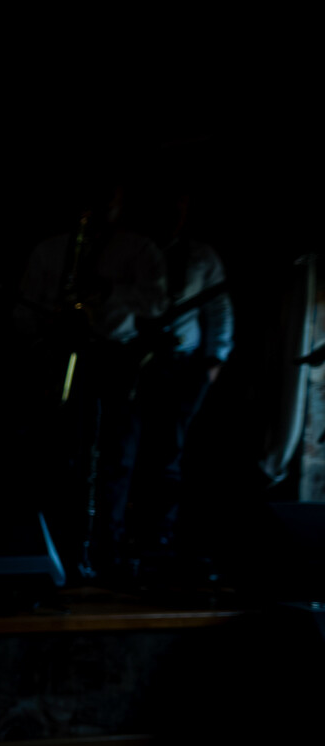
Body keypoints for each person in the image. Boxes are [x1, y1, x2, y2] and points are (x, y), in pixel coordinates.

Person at [12, 175, 168, 577]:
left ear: (120, 204)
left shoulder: (139, 249)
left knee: (115, 457)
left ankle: (104, 550)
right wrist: (45, 331)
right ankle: (53, 548)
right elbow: (23, 308)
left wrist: (110, 291)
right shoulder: (50, 250)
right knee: (55, 455)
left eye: (109, 201)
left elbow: (157, 303)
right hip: (56, 356)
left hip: (114, 358)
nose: (100, 210)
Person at [122, 186, 232, 560]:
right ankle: (117, 533)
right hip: (131, 362)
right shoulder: (130, 251)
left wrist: (214, 361)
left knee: (169, 452)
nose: (174, 214)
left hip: (182, 365)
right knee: (124, 450)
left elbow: (218, 307)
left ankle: (159, 536)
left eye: (181, 207)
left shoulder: (201, 256)